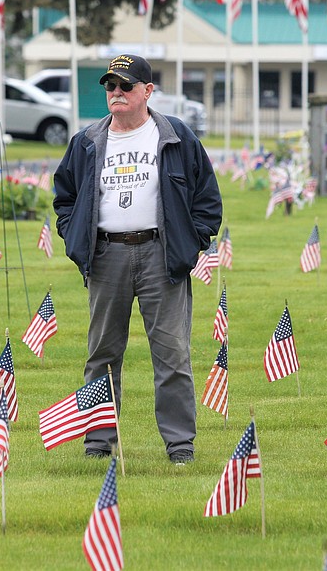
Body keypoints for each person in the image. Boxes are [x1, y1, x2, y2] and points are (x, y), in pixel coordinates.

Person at [53, 55, 222, 465]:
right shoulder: (87, 141)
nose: (116, 93)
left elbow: (206, 200)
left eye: (126, 86)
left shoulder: (176, 136)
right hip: (105, 254)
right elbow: (65, 198)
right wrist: (76, 241)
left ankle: (180, 445)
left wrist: (188, 244)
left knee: (172, 354)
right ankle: (98, 442)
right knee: (102, 354)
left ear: (148, 91)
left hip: (161, 257)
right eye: (110, 86)